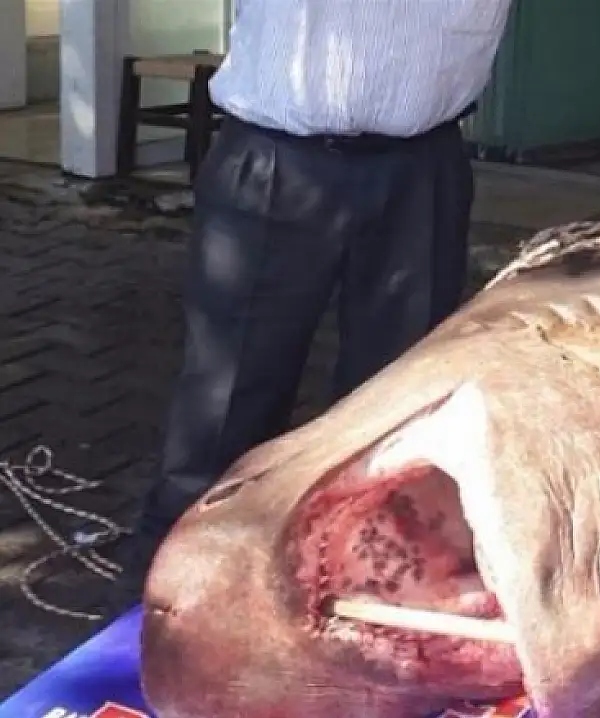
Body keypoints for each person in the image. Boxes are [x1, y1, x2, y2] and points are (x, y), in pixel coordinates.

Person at [91, 0, 514, 616]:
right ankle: (165, 605)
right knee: (228, 396)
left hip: (421, 169)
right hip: (275, 158)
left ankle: (365, 597)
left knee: (395, 403)